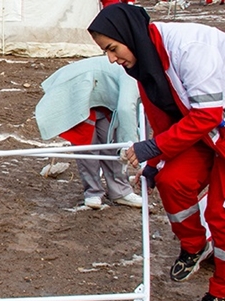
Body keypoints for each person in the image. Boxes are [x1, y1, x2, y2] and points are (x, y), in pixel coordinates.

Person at [88, 4, 225, 301]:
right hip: (208, 132)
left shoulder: (189, 48)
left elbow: (207, 114)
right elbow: (166, 116)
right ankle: (194, 245)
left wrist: (153, 147)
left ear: (128, 36)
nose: (111, 58)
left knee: (224, 212)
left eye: (112, 48)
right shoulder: (146, 61)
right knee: (172, 181)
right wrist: (156, 161)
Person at [35, 56, 144, 209]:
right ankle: (93, 192)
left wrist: (127, 144)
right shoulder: (133, 74)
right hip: (78, 87)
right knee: (86, 144)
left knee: (111, 142)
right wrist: (131, 144)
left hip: (102, 96)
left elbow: (138, 115)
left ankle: (120, 191)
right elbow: (126, 108)